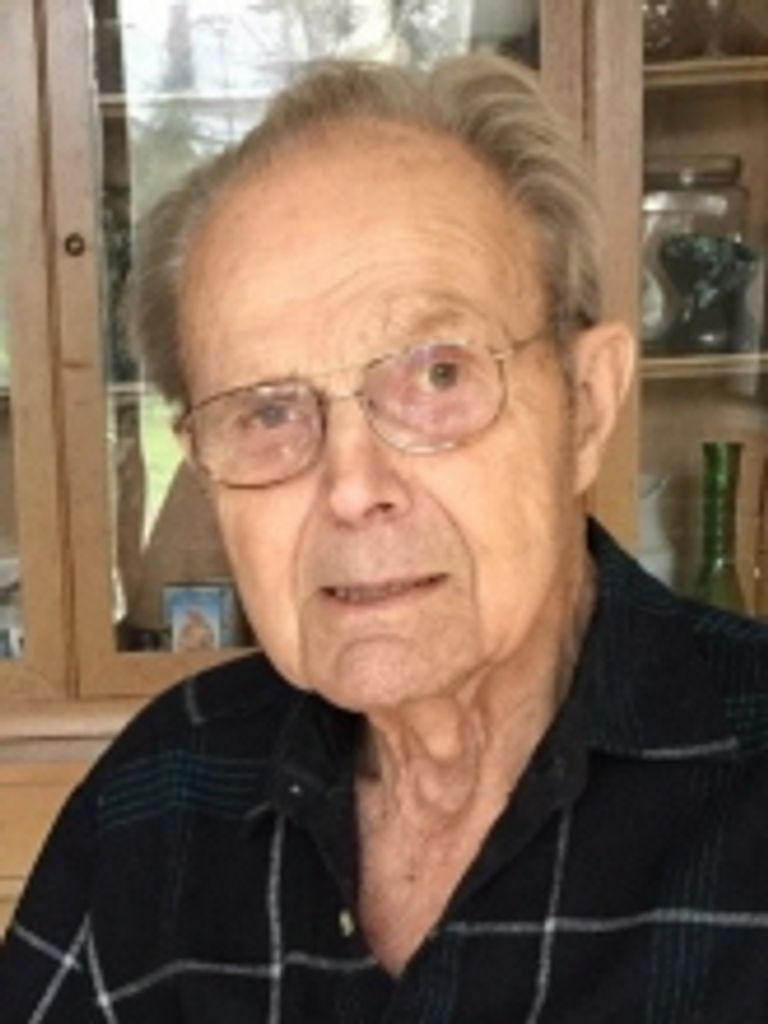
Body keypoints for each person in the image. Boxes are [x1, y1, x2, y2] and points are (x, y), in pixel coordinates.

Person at [1, 54, 767, 1022]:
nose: (354, 488)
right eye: (267, 411)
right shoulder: (157, 797)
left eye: (438, 376)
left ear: (585, 406)